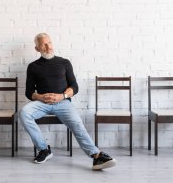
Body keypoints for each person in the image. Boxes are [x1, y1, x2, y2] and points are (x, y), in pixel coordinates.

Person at [19, 33, 117, 170]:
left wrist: (62, 96)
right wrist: (40, 97)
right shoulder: (33, 67)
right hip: (42, 103)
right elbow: (29, 92)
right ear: (37, 48)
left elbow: (74, 86)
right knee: (24, 112)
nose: (48, 46)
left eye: (49, 42)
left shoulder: (64, 63)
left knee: (77, 124)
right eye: (43, 44)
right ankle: (43, 149)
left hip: (63, 103)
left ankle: (96, 156)